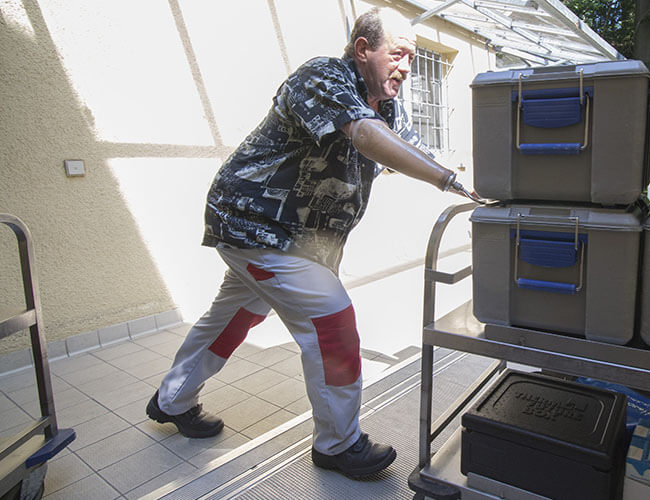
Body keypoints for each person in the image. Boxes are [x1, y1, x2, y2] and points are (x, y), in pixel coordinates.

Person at [145, 7, 473, 479]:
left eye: (413, 59)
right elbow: (364, 135)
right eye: (398, 55)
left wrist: (477, 184)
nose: (407, 67)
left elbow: (413, 149)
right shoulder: (323, 75)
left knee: (237, 313)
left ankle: (172, 399)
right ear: (363, 50)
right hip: (256, 226)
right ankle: (338, 444)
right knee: (331, 322)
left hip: (294, 240)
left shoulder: (386, 106)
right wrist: (447, 182)